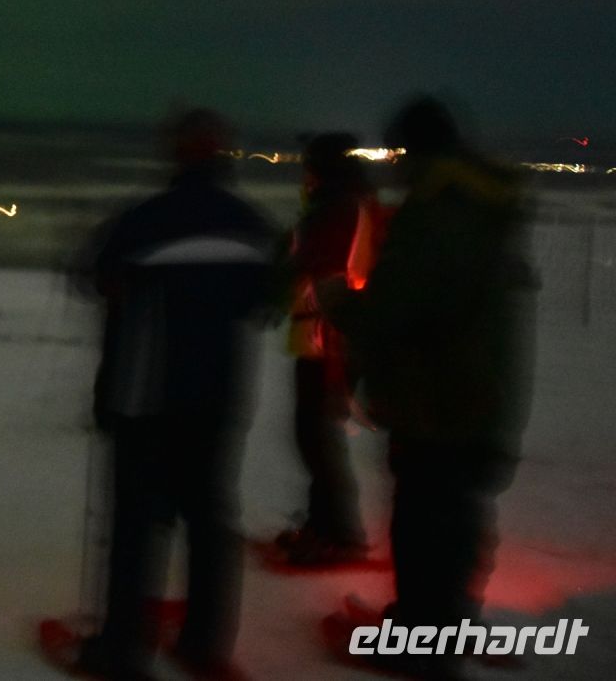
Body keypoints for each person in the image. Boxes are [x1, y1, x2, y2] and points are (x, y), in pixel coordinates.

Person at [321, 96, 535, 678]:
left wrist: (341, 302)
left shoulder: (436, 212)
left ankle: (421, 644)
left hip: (437, 398)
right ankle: (443, 623)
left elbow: (396, 310)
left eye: (398, 154)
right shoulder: (488, 207)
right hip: (483, 393)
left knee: (424, 522)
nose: (393, 167)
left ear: (414, 151)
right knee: (459, 515)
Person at [69, 109, 276, 681]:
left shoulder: (142, 221)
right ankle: (205, 644)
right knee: (209, 517)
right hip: (217, 398)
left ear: (176, 155)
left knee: (138, 521)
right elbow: (263, 303)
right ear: (223, 155)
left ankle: (122, 651)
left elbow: (93, 278)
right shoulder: (252, 226)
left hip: (145, 395)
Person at [273, 132, 377, 566]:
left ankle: (341, 535)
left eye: (309, 165)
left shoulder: (336, 210)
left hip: (329, 338)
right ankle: (323, 526)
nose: (305, 173)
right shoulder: (336, 205)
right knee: (316, 436)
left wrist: (284, 278)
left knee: (317, 438)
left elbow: (323, 272)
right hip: (322, 335)